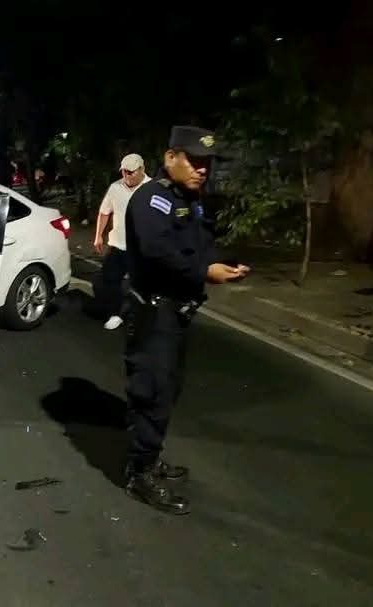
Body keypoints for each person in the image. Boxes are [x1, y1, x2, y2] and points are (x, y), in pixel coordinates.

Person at [121, 126, 250, 515]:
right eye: (194, 161)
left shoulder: (189, 201)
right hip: (153, 312)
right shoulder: (151, 200)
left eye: (206, 163)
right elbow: (158, 252)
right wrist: (203, 273)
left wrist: (220, 262)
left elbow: (198, 245)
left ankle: (150, 455)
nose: (202, 170)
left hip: (175, 312)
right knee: (152, 391)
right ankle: (139, 474)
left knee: (168, 390)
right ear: (170, 157)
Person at [94, 153, 151, 330]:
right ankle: (115, 313)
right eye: (124, 171)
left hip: (142, 248)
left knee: (142, 285)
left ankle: (143, 315)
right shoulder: (115, 188)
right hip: (118, 244)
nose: (126, 175)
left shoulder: (152, 189)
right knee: (109, 280)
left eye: (131, 172)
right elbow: (104, 212)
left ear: (142, 169)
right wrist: (98, 235)